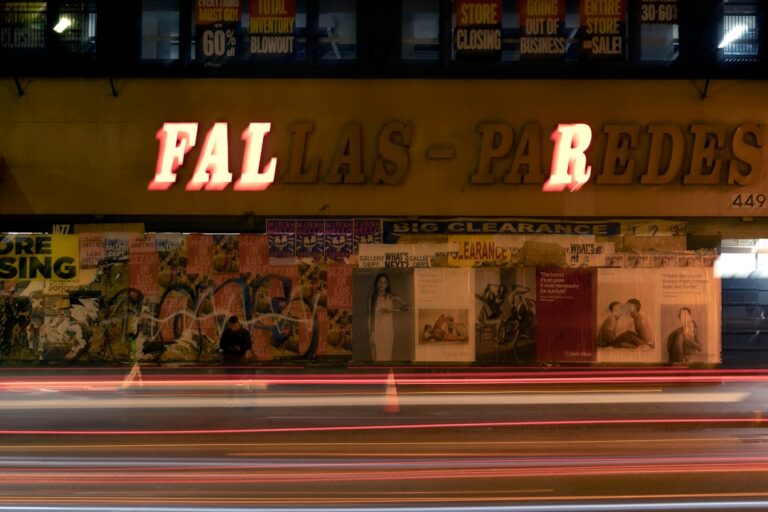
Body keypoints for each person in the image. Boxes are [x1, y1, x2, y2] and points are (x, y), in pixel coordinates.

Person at [368, 273, 408, 361]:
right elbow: (370, 318)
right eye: (380, 282)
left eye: (384, 282)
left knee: (387, 357)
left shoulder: (391, 296)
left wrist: (391, 310)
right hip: (377, 332)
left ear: (387, 284)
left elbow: (407, 307)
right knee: (377, 357)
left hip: (388, 331)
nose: (382, 284)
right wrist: (371, 334)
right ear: (376, 283)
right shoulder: (372, 299)